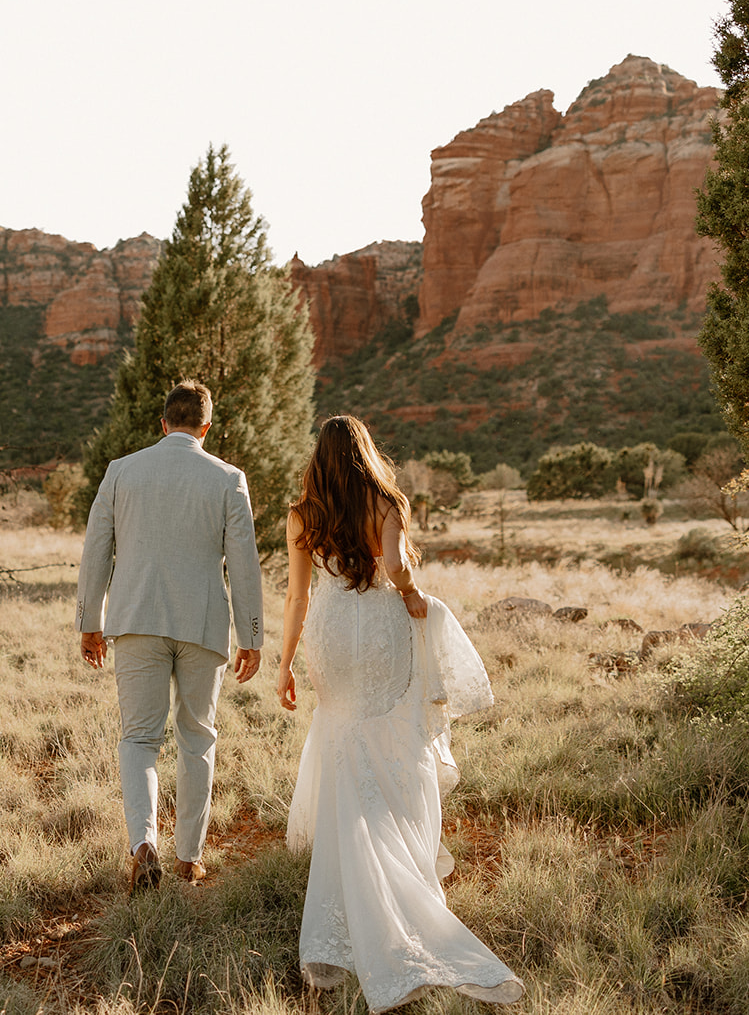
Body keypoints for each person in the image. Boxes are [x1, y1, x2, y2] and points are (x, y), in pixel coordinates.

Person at [277, 416, 523, 1013]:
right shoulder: (388, 501)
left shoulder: (303, 513)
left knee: (341, 735)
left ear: (321, 457)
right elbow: (394, 568)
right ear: (365, 454)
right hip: (383, 631)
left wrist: (285, 662)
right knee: (395, 741)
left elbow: (297, 595)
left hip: (331, 636)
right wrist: (412, 592)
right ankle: (403, 858)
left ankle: (351, 866)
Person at [76, 380, 263, 892]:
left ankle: (143, 844)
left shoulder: (121, 471)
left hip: (135, 620)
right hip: (203, 623)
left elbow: (96, 550)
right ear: (206, 427)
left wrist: (90, 623)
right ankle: (188, 858)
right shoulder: (229, 479)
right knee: (197, 737)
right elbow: (243, 564)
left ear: (163, 423)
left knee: (139, 737)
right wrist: (252, 634)